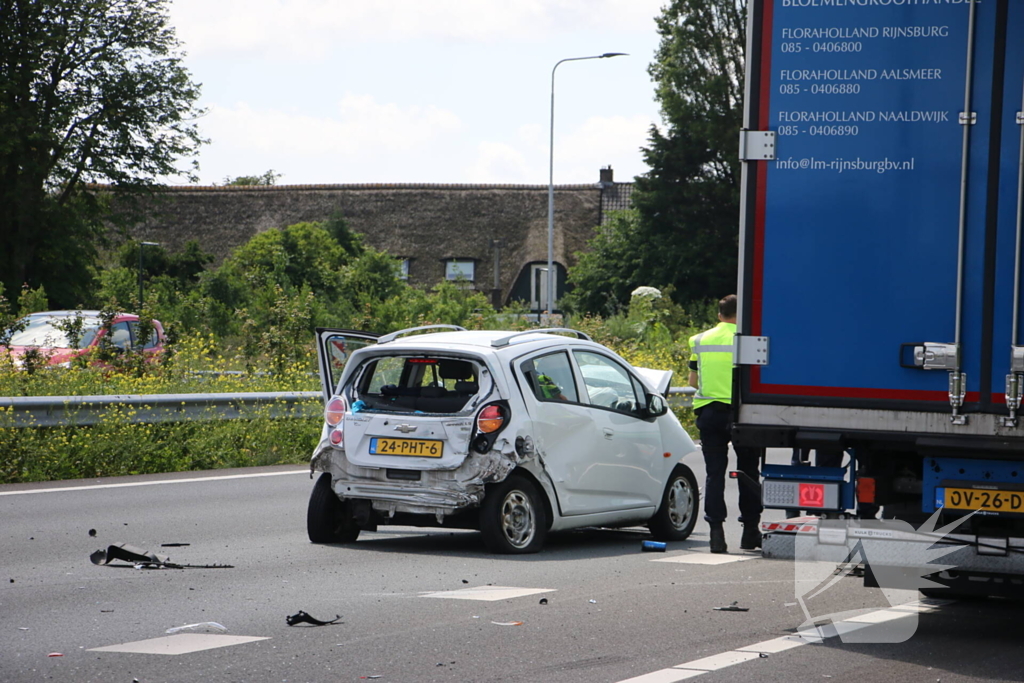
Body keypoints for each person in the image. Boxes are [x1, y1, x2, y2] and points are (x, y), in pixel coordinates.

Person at [689, 294, 763, 553]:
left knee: (714, 473)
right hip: (744, 413)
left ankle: (716, 535)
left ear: (719, 315)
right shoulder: (750, 340)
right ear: (740, 315)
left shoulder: (698, 340)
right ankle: (750, 531)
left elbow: (691, 381)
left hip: (709, 413)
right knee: (748, 472)